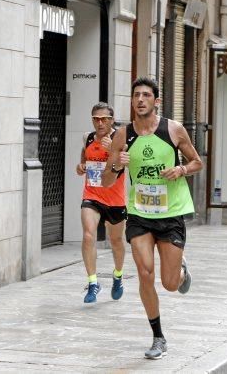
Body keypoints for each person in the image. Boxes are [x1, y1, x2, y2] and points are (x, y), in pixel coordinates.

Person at [102, 77, 202, 359]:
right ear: (132, 101)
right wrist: (114, 164)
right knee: (145, 273)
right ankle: (158, 337)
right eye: (136, 95)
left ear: (156, 101)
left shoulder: (173, 129)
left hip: (171, 214)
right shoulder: (123, 136)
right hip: (139, 214)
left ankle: (180, 271)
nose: (141, 100)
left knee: (169, 283)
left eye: (146, 95)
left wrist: (181, 171)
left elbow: (197, 162)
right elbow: (108, 181)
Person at [76, 102, 127, 303]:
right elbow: (85, 156)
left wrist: (113, 151)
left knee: (116, 241)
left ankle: (118, 275)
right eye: (96, 119)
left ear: (111, 120)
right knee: (88, 235)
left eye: (104, 119)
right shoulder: (87, 137)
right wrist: (81, 167)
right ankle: (93, 283)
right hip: (92, 195)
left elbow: (125, 163)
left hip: (115, 199)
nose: (100, 123)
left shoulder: (119, 139)